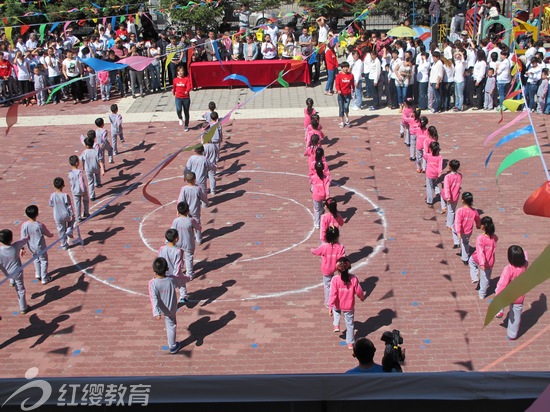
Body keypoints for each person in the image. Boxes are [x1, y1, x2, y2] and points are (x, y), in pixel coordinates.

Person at [328, 257, 365, 349]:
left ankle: (336, 324)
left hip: (337, 304)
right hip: (348, 306)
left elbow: (332, 294)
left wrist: (330, 306)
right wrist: (361, 297)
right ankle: (350, 343)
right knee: (350, 325)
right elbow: (359, 291)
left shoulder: (335, 279)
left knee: (336, 311)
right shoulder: (353, 278)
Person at [494, 245, 529, 340]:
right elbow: (526, 259)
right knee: (516, 316)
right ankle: (512, 334)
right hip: (519, 296)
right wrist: (525, 252)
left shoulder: (508, 269)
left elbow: (501, 284)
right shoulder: (525, 265)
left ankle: (499, 310)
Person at [148, 257, 182, 354]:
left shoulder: (152, 283)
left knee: (170, 324)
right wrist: (188, 277)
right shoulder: (171, 279)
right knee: (171, 325)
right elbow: (181, 280)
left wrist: (156, 312)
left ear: (153, 270)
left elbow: (153, 298)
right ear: (167, 269)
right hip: (172, 307)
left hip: (162, 307)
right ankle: (173, 346)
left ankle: (173, 345)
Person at [311, 226, 345, 308]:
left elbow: (315, 252)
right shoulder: (340, 247)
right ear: (337, 236)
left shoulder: (324, 246)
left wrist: (311, 249)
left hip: (326, 269)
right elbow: (342, 257)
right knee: (334, 284)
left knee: (327, 286)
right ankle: (336, 298)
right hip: (335, 267)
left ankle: (328, 302)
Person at [21, 205, 53, 285]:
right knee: (44, 260)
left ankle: (38, 273)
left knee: (35, 259)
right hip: (40, 246)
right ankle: (44, 278)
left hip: (31, 246)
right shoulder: (39, 225)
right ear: (37, 214)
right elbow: (47, 233)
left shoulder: (24, 225)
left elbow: (22, 237)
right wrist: (51, 235)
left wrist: (22, 247)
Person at [0, 229, 29, 314]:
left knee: (10, 276)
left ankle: (12, 282)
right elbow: (24, 240)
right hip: (17, 272)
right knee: (20, 289)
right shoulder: (15, 246)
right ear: (11, 239)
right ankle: (23, 308)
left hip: (6, 272)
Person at [469, 216, 498, 299]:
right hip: (490, 260)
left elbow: (480, 251)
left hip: (478, 259)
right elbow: (496, 239)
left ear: (482, 226)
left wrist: (482, 263)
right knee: (486, 278)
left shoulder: (480, 238)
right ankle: (482, 294)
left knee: (471, 261)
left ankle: (474, 277)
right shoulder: (494, 237)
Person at [172, 201, 201, 282]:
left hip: (178, 242)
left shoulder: (175, 221)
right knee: (189, 257)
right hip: (188, 242)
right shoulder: (191, 220)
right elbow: (198, 228)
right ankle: (190, 274)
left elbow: (172, 230)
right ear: (188, 210)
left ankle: (178, 270)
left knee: (178, 257)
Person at [158, 229, 189, 304]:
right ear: (176, 239)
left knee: (168, 287)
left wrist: (160, 272)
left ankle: (169, 299)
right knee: (181, 283)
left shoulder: (161, 249)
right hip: (175, 272)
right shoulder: (178, 251)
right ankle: (183, 297)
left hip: (164, 272)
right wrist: (176, 276)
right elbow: (178, 264)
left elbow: (159, 260)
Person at [178, 172, 208, 244]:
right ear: (195, 179)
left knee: (187, 223)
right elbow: (203, 197)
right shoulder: (197, 189)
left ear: (185, 179)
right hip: (195, 210)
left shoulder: (184, 189)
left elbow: (181, 200)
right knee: (197, 224)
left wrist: (179, 209)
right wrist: (206, 202)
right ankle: (199, 239)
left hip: (185, 210)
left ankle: (189, 237)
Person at [455, 192, 481, 265]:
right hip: (468, 231)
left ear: (462, 200)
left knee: (464, 243)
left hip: (462, 230)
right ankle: (463, 254)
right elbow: (478, 219)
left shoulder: (460, 211)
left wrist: (458, 232)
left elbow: (458, 222)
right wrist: (478, 225)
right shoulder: (474, 211)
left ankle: (465, 258)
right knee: (465, 242)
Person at [49, 177, 76, 250]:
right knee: (72, 220)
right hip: (65, 214)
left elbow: (51, 204)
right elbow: (69, 206)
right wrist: (72, 214)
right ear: (63, 185)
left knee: (60, 230)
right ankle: (69, 230)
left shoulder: (52, 195)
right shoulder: (65, 195)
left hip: (57, 215)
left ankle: (64, 244)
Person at [442, 159, 462, 249]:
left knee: (451, 211)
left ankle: (449, 224)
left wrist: (448, 197)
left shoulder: (447, 177)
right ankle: (449, 223)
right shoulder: (460, 175)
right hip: (456, 195)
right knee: (452, 210)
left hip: (450, 196)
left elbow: (446, 187)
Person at [309, 160, 331, 229]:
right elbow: (327, 187)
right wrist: (327, 196)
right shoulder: (325, 178)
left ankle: (317, 223)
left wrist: (312, 190)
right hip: (323, 194)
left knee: (316, 210)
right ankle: (321, 209)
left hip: (316, 195)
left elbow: (312, 185)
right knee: (320, 204)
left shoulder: (313, 177)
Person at [68, 155, 90, 223]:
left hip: (74, 190)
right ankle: (86, 212)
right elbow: (81, 181)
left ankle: (78, 217)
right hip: (81, 189)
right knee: (85, 200)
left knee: (77, 204)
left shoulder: (70, 173)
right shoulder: (79, 172)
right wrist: (83, 189)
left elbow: (71, 182)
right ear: (77, 163)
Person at [80, 136, 102, 202]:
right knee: (97, 175)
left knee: (90, 182)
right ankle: (98, 183)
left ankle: (92, 196)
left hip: (88, 169)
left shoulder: (84, 152)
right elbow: (99, 160)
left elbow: (82, 159)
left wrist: (83, 166)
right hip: (96, 167)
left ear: (86, 145)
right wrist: (102, 168)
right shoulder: (96, 151)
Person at [172, 66, 192, 131]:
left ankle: (186, 125)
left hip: (186, 98)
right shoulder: (175, 80)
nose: (180, 73)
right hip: (178, 97)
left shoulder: (186, 79)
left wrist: (187, 90)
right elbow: (174, 87)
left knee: (186, 112)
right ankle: (180, 117)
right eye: (179, 71)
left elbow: (189, 86)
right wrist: (174, 92)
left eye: (181, 71)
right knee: (178, 109)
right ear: (177, 72)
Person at [423, 141, 443, 207]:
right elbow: (440, 166)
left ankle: (429, 200)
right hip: (436, 174)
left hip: (429, 174)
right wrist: (440, 173)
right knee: (434, 183)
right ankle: (437, 192)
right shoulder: (440, 157)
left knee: (429, 187)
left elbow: (424, 154)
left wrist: (426, 148)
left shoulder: (428, 156)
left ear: (430, 149)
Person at [335, 62, 354, 128]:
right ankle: (342, 121)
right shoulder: (339, 76)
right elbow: (337, 84)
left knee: (346, 107)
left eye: (347, 67)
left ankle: (347, 117)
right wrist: (338, 90)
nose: (346, 69)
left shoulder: (351, 75)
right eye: (344, 67)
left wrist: (353, 89)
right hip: (341, 95)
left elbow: (352, 84)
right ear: (342, 68)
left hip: (348, 94)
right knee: (341, 108)